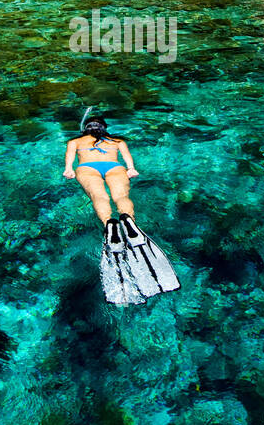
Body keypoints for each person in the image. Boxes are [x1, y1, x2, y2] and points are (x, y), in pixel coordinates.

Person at [63, 113, 180, 304]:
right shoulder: (117, 141)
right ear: (104, 128)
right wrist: (131, 168)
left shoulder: (75, 141)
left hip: (87, 167)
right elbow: (127, 158)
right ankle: (128, 220)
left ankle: (109, 224)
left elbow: (69, 158)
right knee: (121, 197)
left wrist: (68, 169)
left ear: (86, 129)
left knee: (99, 196)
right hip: (114, 166)